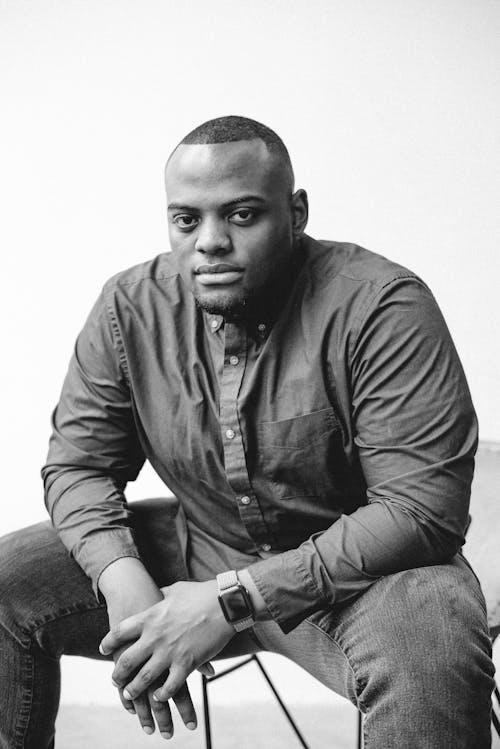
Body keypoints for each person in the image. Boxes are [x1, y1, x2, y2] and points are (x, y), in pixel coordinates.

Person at [0, 115, 495, 749]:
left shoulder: (381, 306)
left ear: (296, 213)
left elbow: (421, 511)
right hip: (203, 543)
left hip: (364, 578)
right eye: (186, 220)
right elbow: (79, 466)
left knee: (434, 640)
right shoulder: (131, 308)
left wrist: (230, 601)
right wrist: (122, 580)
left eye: (240, 215)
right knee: (11, 579)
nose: (209, 242)